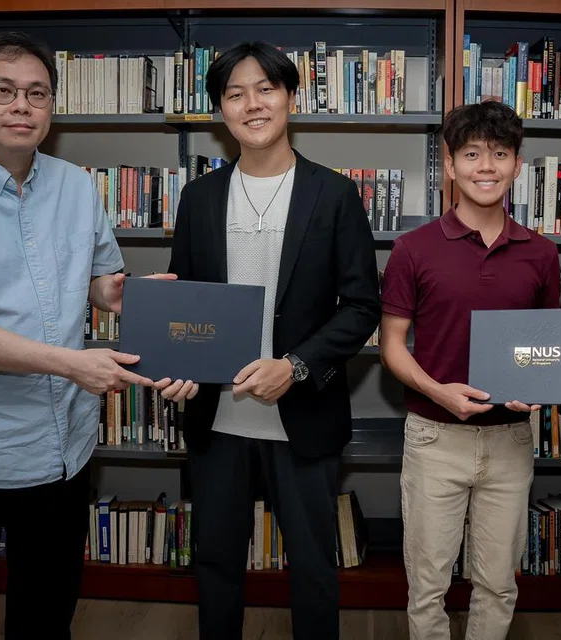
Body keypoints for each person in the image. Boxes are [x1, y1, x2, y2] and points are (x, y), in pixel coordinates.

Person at [0, 31, 180, 639]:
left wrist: (131, 294)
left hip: (63, 453)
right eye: (4, 90)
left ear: (52, 106)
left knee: (46, 617)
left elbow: (102, 282)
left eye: (37, 93)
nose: (21, 105)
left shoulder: (77, 186)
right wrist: (71, 363)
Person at [163, 41, 381, 639]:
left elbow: (362, 305)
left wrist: (297, 365)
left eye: (265, 89)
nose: (251, 103)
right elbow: (185, 305)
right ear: (219, 111)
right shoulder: (199, 197)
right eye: (235, 94)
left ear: (289, 97)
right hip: (217, 416)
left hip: (301, 414)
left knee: (313, 567)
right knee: (216, 563)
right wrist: (177, 360)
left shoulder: (333, 193)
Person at [379, 100, 561, 640]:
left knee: (499, 584)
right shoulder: (413, 249)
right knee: (427, 586)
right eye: (473, 153)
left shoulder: (541, 253)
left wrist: (538, 387)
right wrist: (438, 392)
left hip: (510, 439)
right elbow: (391, 345)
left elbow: (544, 348)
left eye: (500, 154)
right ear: (451, 165)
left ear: (517, 165)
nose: (487, 166)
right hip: (436, 438)